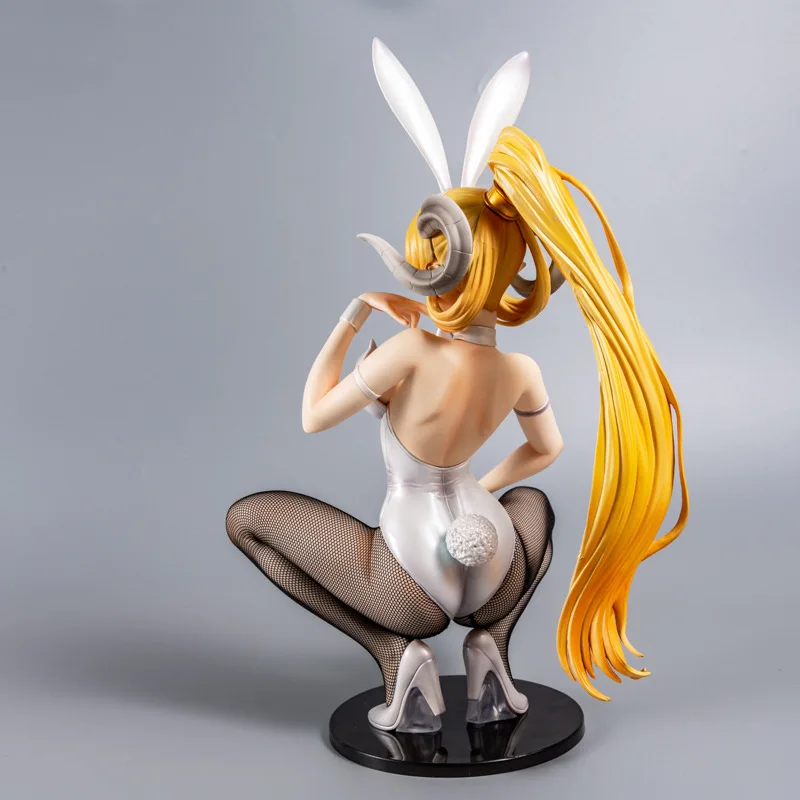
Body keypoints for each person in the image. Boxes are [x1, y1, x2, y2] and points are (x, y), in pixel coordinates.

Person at [226, 39, 688, 734]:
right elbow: (547, 451)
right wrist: (484, 489)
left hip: (409, 577)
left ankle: (397, 655)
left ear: (436, 267)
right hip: (494, 560)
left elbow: (313, 415)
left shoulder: (411, 350)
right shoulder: (520, 370)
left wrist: (354, 315)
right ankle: (491, 645)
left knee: (248, 520)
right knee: (532, 503)